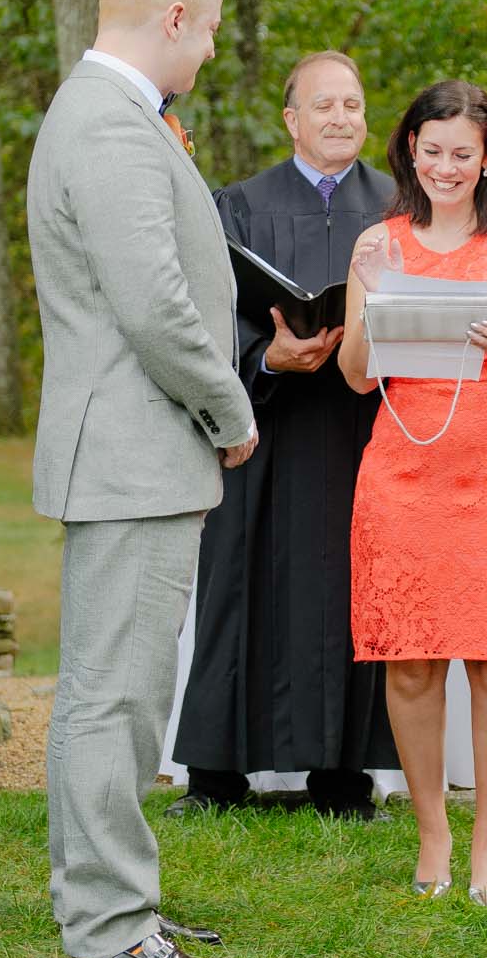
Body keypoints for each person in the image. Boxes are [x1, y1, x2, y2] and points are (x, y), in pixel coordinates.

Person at [28, 0, 257, 958]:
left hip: (131, 448)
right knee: (114, 693)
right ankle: (112, 919)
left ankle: (112, 893)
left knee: (114, 686)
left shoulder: (112, 115)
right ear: (171, 18)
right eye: (207, 26)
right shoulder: (111, 125)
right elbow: (154, 305)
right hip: (133, 445)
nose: (209, 48)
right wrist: (228, 405)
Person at [339, 80, 487, 907]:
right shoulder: (380, 242)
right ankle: (431, 833)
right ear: (407, 149)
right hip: (404, 473)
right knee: (409, 663)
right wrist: (365, 292)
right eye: (427, 151)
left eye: (460, 154)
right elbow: (359, 378)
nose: (442, 167)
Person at [170, 51, 398, 817]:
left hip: (360, 431)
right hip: (263, 426)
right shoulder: (237, 203)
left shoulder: (400, 209)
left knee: (352, 593)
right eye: (324, 105)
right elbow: (205, 311)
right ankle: (215, 776)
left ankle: (342, 777)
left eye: (354, 105)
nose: (342, 118)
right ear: (291, 120)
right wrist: (267, 354)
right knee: (238, 584)